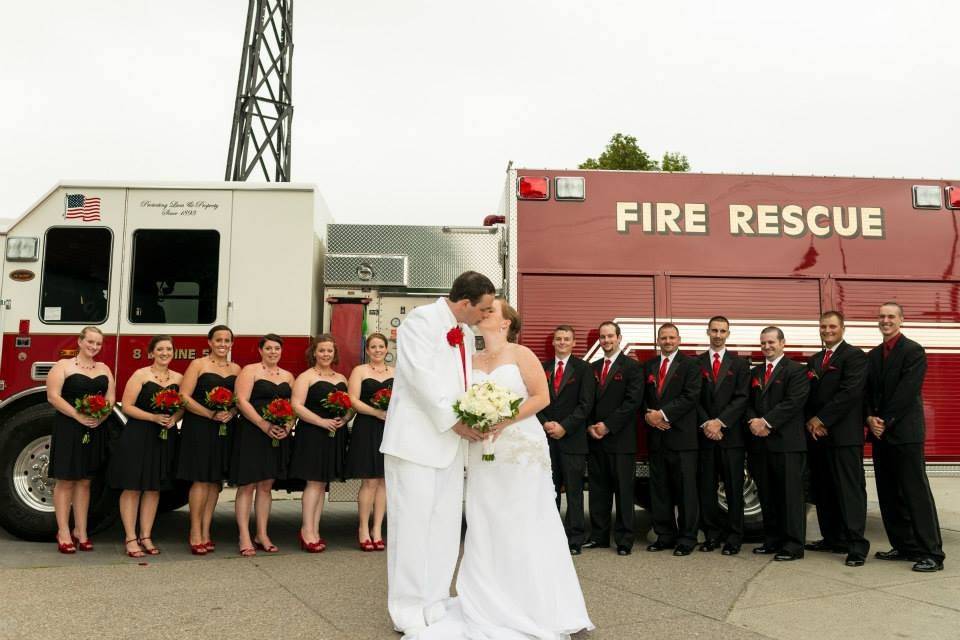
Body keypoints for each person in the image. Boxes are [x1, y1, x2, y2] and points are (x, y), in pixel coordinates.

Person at [419, 298, 593, 639]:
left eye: (492, 310)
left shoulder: (521, 354)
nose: (484, 313)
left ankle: (536, 604)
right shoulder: (470, 359)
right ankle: (486, 600)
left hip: (520, 449)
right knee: (486, 519)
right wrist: (473, 420)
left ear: (505, 323)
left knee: (525, 519)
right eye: (482, 309)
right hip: (485, 451)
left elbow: (541, 397)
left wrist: (502, 419)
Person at [380, 271, 495, 636]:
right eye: (484, 308)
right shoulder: (421, 320)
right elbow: (419, 377)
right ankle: (407, 607)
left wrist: (482, 408)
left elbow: (462, 380)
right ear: (465, 303)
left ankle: (434, 600)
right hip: (415, 443)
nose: (486, 315)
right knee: (411, 528)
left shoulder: (466, 332)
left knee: (445, 529)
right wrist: (454, 421)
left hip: (449, 448)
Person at [866, 302, 945, 572]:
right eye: (882, 316)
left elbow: (907, 391)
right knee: (889, 494)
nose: (885, 320)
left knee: (915, 493)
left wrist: (884, 421)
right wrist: (869, 418)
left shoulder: (913, 351)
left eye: (890, 316)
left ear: (901, 320)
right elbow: (866, 393)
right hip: (881, 435)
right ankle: (904, 546)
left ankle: (932, 553)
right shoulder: (874, 355)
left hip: (905, 433)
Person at [804, 311, 870, 567]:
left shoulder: (854, 356)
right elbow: (806, 394)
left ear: (842, 328)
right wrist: (811, 420)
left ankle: (856, 545)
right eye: (823, 326)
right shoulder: (815, 359)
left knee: (849, 490)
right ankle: (832, 538)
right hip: (817, 436)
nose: (827, 330)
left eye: (832, 326)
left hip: (844, 436)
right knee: (825, 489)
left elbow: (850, 393)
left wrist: (822, 419)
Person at [109, 335, 183, 557]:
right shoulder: (140, 375)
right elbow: (127, 406)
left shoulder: (179, 378)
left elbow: (183, 405)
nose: (164, 353)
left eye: (168, 349)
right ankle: (130, 537)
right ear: (151, 353)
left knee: (154, 487)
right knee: (132, 486)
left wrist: (174, 417)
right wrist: (152, 417)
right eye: (160, 349)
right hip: (139, 435)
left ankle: (146, 536)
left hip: (164, 436)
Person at [46, 326, 115, 553]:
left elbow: (110, 399)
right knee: (66, 479)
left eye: (98, 344)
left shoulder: (104, 368)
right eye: (90, 342)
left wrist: (100, 417)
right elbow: (53, 396)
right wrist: (78, 415)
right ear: (80, 341)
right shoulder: (63, 366)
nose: (94, 347)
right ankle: (64, 531)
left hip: (95, 428)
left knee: (85, 481)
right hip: (69, 427)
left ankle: (81, 531)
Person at [746, 327, 809, 561]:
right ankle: (772, 540)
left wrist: (766, 422)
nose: (767, 346)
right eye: (763, 343)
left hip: (787, 444)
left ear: (782, 343)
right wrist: (753, 421)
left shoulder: (795, 371)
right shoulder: (756, 372)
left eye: (771, 342)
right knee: (768, 495)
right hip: (761, 445)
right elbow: (749, 401)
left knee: (790, 497)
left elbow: (793, 403)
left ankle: (793, 545)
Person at [177, 325, 241, 555]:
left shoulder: (236, 368)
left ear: (232, 344)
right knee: (200, 480)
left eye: (227, 340)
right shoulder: (198, 364)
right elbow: (183, 396)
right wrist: (210, 413)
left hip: (225, 427)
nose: (223, 344)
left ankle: (206, 530)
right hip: (200, 426)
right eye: (218, 340)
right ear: (209, 342)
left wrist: (231, 412)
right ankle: (194, 532)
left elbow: (239, 400)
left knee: (215, 481)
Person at [231, 334, 295, 556]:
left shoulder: (287, 376)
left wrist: (287, 425)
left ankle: (262, 533)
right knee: (247, 485)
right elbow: (241, 400)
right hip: (252, 432)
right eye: (268, 348)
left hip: (277, 435)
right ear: (260, 350)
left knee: (266, 486)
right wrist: (262, 424)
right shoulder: (250, 371)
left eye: (277, 348)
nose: (273, 352)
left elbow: (292, 405)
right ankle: (244, 535)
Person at [583, 321, 643, 556]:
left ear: (619, 338)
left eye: (610, 336)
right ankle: (599, 537)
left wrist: (607, 426)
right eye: (603, 337)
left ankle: (625, 540)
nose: (606, 340)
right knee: (599, 491)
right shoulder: (593, 368)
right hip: (595, 439)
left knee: (624, 492)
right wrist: (590, 426)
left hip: (620, 440)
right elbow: (586, 401)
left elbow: (632, 402)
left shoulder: (632, 367)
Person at [643, 323, 702, 556]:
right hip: (657, 438)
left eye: (671, 337)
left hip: (683, 439)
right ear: (658, 340)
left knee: (686, 491)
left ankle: (687, 538)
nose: (667, 341)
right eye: (663, 338)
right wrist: (650, 417)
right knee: (660, 491)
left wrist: (663, 414)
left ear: (679, 340)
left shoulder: (691, 365)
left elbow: (691, 396)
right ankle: (664, 536)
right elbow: (642, 397)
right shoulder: (649, 365)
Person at [536, 325, 595, 555]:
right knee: (549, 490)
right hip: (547, 439)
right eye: (558, 339)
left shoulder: (584, 369)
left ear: (573, 343)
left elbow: (586, 404)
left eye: (566, 339)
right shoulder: (543, 368)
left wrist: (564, 427)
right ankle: (551, 536)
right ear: (553, 343)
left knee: (574, 491)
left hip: (573, 440)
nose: (561, 342)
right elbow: (536, 398)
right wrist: (545, 423)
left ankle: (574, 539)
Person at [290, 334, 351, 552]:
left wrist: (344, 419)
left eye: (329, 351)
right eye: (322, 350)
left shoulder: (342, 378)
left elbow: (349, 407)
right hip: (313, 433)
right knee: (313, 483)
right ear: (314, 353)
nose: (326, 354)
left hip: (334, 434)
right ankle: (306, 530)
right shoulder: (306, 377)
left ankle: (315, 529)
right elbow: (296, 405)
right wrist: (321, 422)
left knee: (323, 483)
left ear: (334, 354)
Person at [695, 316, 749, 555]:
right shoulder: (695, 364)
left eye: (722, 331)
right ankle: (711, 536)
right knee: (706, 490)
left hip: (732, 438)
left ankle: (734, 537)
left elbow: (742, 397)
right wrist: (707, 423)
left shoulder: (739, 364)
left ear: (728, 333)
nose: (717, 335)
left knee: (734, 489)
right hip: (705, 437)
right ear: (707, 332)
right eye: (714, 330)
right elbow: (692, 397)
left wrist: (720, 422)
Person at [345, 333, 393, 552]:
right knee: (370, 482)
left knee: (384, 481)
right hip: (366, 426)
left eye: (380, 346)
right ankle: (363, 529)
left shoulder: (395, 372)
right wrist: (376, 411)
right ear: (367, 350)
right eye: (373, 347)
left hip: (390, 428)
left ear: (386, 349)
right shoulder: (359, 371)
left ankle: (377, 529)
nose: (377, 350)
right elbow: (353, 400)